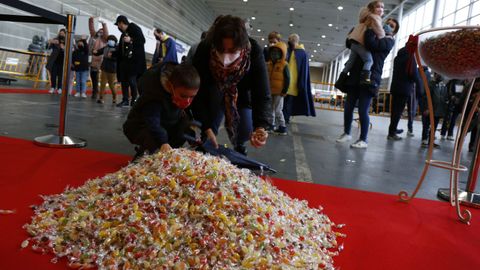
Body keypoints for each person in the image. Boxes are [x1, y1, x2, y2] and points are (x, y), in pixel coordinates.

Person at [191, 15, 271, 156]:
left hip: (240, 93)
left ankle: (239, 144)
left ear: (242, 46)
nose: (226, 57)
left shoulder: (254, 51)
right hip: (212, 90)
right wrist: (206, 126)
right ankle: (206, 147)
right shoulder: (205, 48)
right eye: (222, 50)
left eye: (232, 51)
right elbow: (198, 92)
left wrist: (261, 126)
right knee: (210, 127)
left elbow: (261, 93)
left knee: (245, 129)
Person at [336, 18, 399, 149]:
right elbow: (350, 43)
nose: (387, 25)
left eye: (391, 26)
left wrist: (369, 29)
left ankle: (363, 139)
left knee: (363, 110)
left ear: (394, 32)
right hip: (355, 76)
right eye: (387, 22)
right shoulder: (373, 34)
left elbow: (372, 45)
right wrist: (355, 33)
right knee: (348, 107)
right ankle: (346, 133)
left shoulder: (388, 41)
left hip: (371, 78)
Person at [123, 62, 200, 160]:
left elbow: (184, 117)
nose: (188, 101)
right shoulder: (154, 96)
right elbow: (152, 122)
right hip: (140, 126)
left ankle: (167, 155)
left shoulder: (180, 91)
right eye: (183, 96)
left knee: (183, 129)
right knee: (154, 137)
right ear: (170, 86)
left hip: (164, 124)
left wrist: (192, 135)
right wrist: (163, 142)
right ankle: (142, 159)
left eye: (192, 97)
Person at [335, 1, 386, 87]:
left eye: (382, 7)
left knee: (350, 62)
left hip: (353, 41)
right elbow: (380, 32)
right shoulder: (375, 18)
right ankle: (364, 79)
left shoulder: (365, 17)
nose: (381, 9)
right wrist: (383, 35)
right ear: (372, 8)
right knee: (369, 60)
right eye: (378, 6)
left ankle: (340, 80)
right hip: (360, 42)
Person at [387, 45, 421, 140]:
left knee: (394, 111)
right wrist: (420, 86)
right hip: (404, 89)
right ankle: (392, 133)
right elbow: (414, 74)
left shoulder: (397, 58)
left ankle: (392, 129)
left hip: (395, 87)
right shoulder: (410, 58)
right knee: (398, 112)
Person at [282, 33, 316, 124]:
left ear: (292, 40)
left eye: (289, 40)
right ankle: (285, 118)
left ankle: (285, 119)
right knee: (287, 103)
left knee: (287, 103)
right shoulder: (299, 52)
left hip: (291, 83)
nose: (288, 42)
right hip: (291, 83)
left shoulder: (300, 52)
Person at [114, 15, 147, 107]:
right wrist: (114, 54)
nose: (118, 27)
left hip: (134, 62)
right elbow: (121, 49)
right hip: (125, 63)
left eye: (118, 24)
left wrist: (131, 40)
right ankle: (125, 100)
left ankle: (134, 99)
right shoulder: (123, 34)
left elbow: (142, 41)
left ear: (122, 23)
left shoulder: (135, 28)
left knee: (132, 81)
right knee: (124, 82)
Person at [266, 41, 290, 135]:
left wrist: (284, 91)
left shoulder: (284, 65)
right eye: (273, 52)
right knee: (271, 109)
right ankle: (271, 126)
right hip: (270, 91)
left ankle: (282, 127)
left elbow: (288, 79)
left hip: (280, 92)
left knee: (278, 110)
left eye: (277, 52)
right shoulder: (269, 64)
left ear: (282, 53)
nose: (274, 54)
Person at [421, 72, 448, 148]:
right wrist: (427, 108)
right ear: (435, 75)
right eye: (437, 74)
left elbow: (445, 98)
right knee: (426, 125)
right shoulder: (430, 84)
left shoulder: (444, 86)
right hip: (429, 110)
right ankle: (424, 140)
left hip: (438, 110)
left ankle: (431, 141)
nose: (439, 76)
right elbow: (425, 97)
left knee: (434, 126)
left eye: (441, 74)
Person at [93, 35, 118, 104]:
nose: (110, 41)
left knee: (111, 85)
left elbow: (118, 58)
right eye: (109, 40)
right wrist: (95, 52)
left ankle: (114, 97)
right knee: (102, 83)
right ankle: (101, 98)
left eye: (112, 40)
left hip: (112, 69)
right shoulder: (106, 47)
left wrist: (112, 56)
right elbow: (98, 52)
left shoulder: (117, 49)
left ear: (115, 41)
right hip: (104, 68)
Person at [88, 17, 108, 100]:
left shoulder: (105, 39)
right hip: (93, 59)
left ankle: (100, 91)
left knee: (102, 77)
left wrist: (104, 24)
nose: (101, 32)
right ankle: (95, 91)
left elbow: (106, 32)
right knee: (94, 77)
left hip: (101, 59)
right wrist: (91, 20)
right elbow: (91, 28)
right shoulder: (94, 36)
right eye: (100, 31)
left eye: (102, 31)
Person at [46, 29, 66, 94]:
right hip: (54, 60)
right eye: (60, 33)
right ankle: (53, 87)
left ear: (65, 34)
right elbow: (48, 48)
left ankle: (59, 88)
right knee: (53, 75)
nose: (61, 34)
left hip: (63, 60)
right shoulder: (55, 39)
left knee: (60, 75)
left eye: (63, 33)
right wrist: (50, 42)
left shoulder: (67, 41)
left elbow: (71, 50)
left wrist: (64, 48)